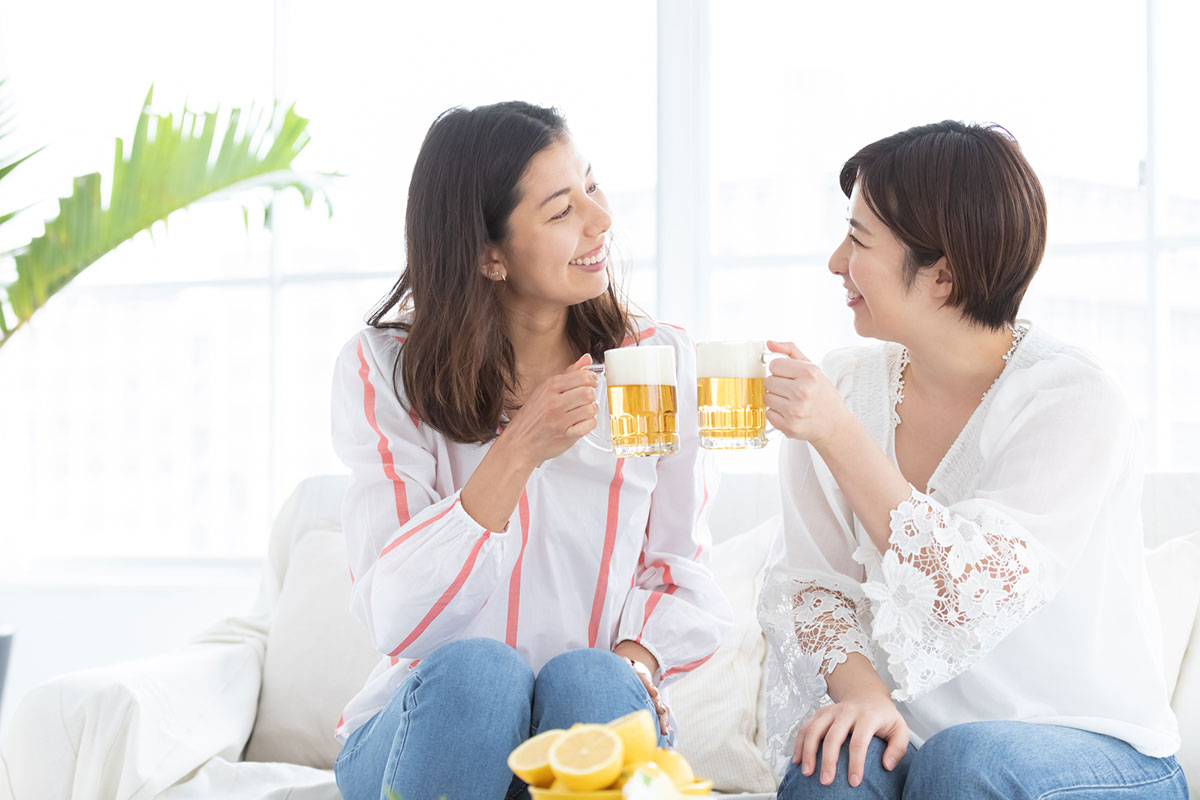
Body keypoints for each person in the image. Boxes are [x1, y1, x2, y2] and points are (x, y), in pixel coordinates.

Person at [757, 120, 1187, 798]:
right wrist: (866, 697)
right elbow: (816, 587)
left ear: (944, 273)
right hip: (924, 745)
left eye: (859, 239)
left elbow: (966, 594)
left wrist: (840, 437)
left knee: (966, 764)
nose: (836, 261)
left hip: (1100, 752)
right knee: (830, 771)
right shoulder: (840, 388)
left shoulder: (1069, 400)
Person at [329, 101, 731, 800]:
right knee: (478, 676)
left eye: (592, 188)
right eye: (560, 210)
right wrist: (516, 452)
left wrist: (636, 664)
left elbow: (679, 567)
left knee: (594, 677)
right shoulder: (387, 368)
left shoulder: (652, 363)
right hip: (434, 729)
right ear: (489, 253)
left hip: (588, 727)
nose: (600, 220)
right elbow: (395, 616)